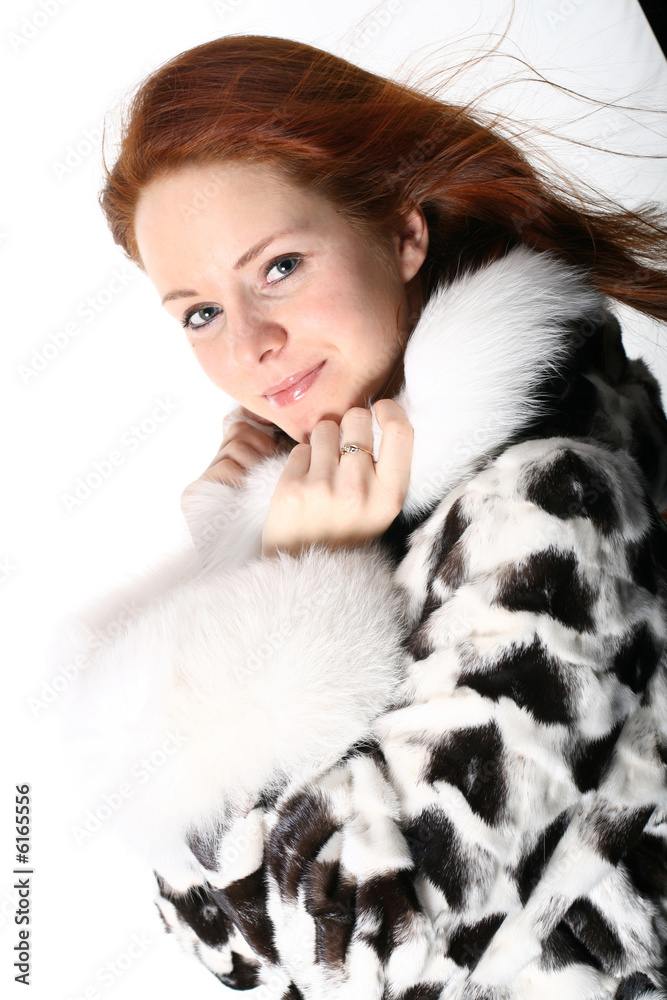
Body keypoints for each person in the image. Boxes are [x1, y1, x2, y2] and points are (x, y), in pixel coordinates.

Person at [66, 34, 667, 1000]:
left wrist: (286, 593)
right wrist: (242, 556)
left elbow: (368, 955)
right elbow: (242, 947)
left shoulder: (549, 501)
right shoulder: (408, 503)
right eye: (200, 314)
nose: (252, 345)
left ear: (402, 234)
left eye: (279, 267)